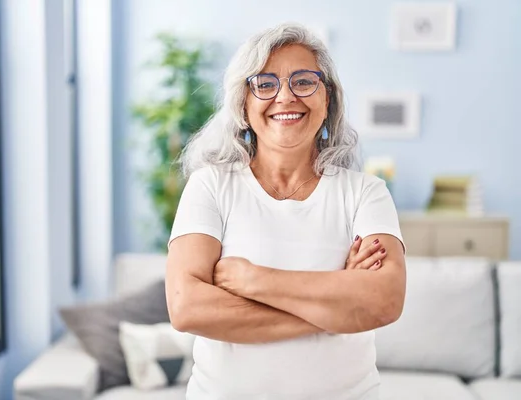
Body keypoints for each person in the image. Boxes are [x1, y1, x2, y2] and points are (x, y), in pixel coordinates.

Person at [166, 22, 406, 400]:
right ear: (243, 104)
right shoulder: (210, 185)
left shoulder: (366, 192)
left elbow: (384, 301)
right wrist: (336, 310)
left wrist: (252, 279)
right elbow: (187, 308)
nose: (285, 97)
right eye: (265, 84)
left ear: (327, 100)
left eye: (304, 82)